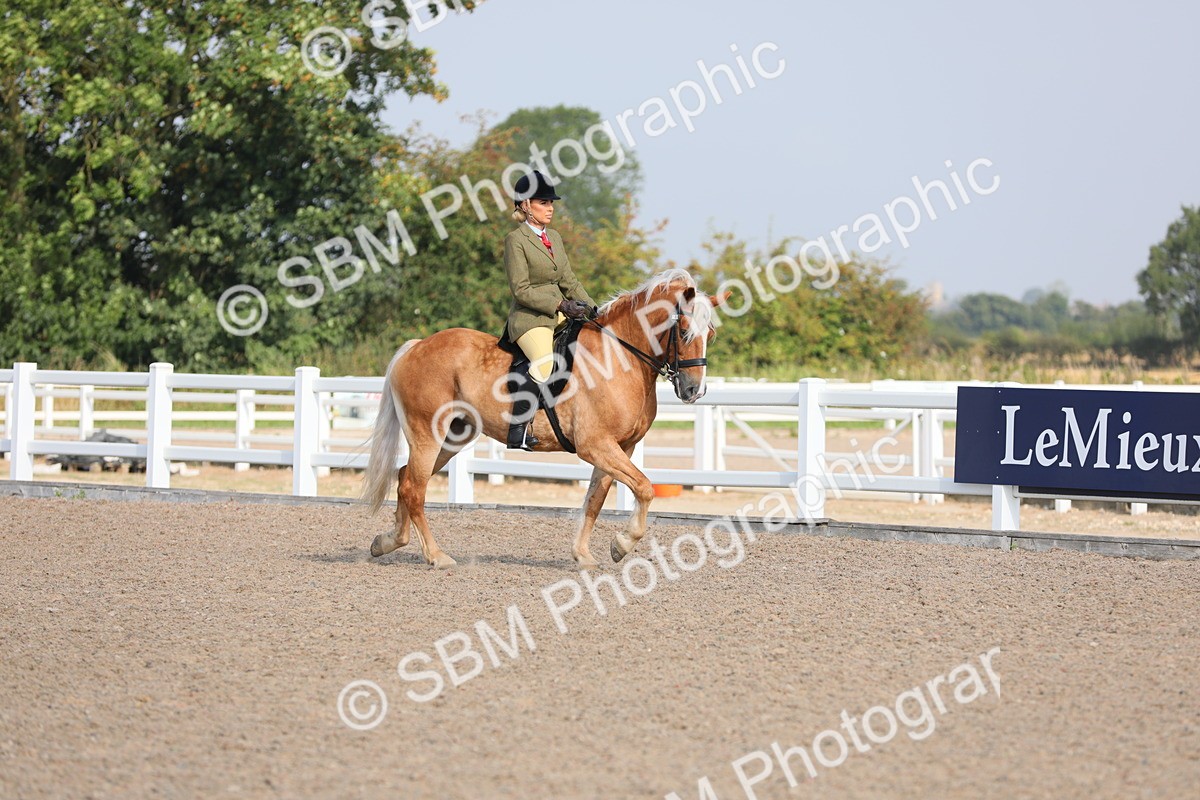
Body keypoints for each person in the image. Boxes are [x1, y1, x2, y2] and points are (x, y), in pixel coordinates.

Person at [504, 170, 597, 448]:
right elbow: (520, 289)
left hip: (559, 316)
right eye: (543, 202)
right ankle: (517, 429)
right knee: (544, 364)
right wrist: (559, 304)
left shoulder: (554, 237)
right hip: (530, 319)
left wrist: (595, 311)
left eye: (551, 203)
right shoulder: (516, 240)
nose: (550, 208)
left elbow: (569, 281)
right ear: (525, 205)